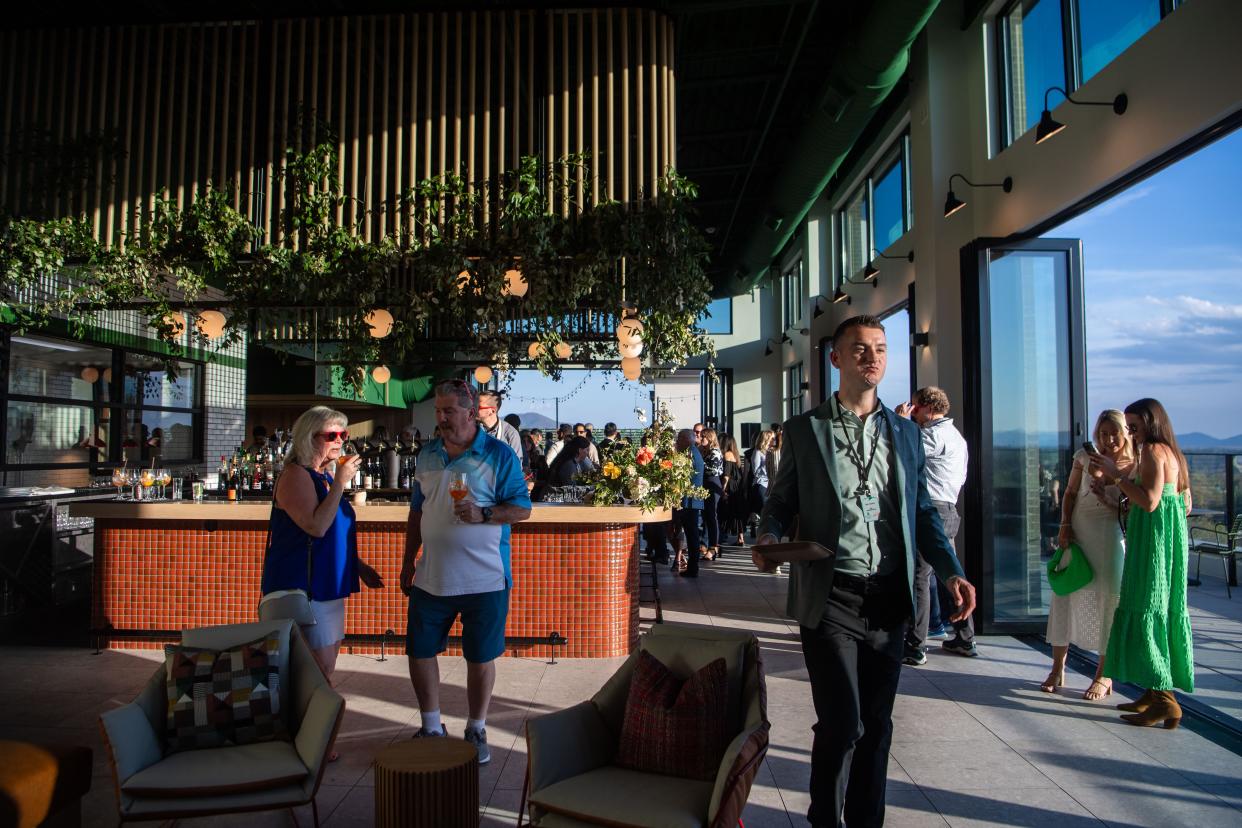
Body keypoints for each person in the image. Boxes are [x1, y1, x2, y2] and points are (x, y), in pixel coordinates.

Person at [752, 315, 976, 828]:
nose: (871, 357)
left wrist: (951, 571)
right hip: (830, 596)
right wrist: (767, 536)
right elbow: (781, 500)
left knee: (876, 725)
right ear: (836, 359)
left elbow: (923, 512)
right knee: (842, 723)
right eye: (859, 349)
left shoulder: (905, 432)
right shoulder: (805, 431)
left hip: (890, 599)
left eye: (879, 348)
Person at [400, 380, 532, 763]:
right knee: (420, 650)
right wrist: (409, 559)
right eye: (437, 410)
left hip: (485, 578)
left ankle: (476, 728)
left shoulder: (499, 455)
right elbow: (416, 512)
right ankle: (430, 725)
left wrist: (484, 513)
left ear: (471, 412)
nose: (440, 417)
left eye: (448, 411)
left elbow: (522, 508)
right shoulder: (426, 455)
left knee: (480, 656)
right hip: (431, 575)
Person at [261, 406, 385, 682]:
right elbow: (316, 526)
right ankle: (312, 723)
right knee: (316, 673)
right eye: (332, 435)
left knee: (323, 669)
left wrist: (357, 566)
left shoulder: (324, 476)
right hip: (304, 586)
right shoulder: (297, 475)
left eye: (343, 433)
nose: (340, 440)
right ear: (309, 438)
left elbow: (331, 534)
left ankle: (313, 723)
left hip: (327, 585)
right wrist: (341, 483)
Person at [1092, 398, 1194, 728]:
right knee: (1160, 608)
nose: (1131, 433)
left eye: (1134, 427)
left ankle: (1165, 699)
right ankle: (1154, 692)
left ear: (1150, 424)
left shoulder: (1150, 451)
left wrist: (1116, 479)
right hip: (1170, 540)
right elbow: (1183, 502)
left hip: (1152, 542)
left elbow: (1148, 502)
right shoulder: (1172, 452)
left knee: (1145, 604)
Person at [1039, 409, 1134, 698]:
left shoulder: (1133, 465)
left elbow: (1134, 509)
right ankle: (1057, 668)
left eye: (1113, 433)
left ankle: (1103, 674)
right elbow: (1068, 493)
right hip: (1079, 532)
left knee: (1108, 600)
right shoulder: (1084, 456)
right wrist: (1065, 525)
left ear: (1125, 432)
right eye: (1103, 433)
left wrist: (1109, 488)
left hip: (1109, 538)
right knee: (1066, 593)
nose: (1108, 439)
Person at [895, 386, 974, 664]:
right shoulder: (956, 437)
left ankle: (916, 644)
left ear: (929, 407)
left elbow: (905, 453)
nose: (913, 411)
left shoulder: (933, 435)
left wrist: (901, 423)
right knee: (949, 574)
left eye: (915, 406)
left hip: (933, 510)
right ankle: (965, 637)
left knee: (919, 576)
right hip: (950, 508)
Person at [672, 428, 706, 577]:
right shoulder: (692, 451)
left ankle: (693, 568)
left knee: (692, 536)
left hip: (690, 501)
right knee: (691, 535)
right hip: (690, 500)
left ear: (686, 440)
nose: (677, 442)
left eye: (679, 439)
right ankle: (693, 566)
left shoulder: (690, 453)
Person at [477, 390, 524, 461]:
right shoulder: (471, 429)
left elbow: (516, 466)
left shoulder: (510, 434)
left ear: (492, 411)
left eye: (478, 406)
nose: (473, 408)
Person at [744, 430, 775, 537]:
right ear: (767, 439)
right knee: (764, 510)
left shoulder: (772, 452)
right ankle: (762, 533)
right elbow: (756, 470)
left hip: (770, 484)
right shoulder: (758, 452)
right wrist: (767, 466)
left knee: (768, 511)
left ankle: (766, 532)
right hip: (761, 483)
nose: (774, 440)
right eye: (772, 438)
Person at [700, 427, 724, 560]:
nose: (701, 438)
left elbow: (713, 470)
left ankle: (714, 547)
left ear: (710, 438)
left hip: (712, 483)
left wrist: (699, 464)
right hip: (705, 484)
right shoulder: (705, 451)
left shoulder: (714, 452)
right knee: (706, 516)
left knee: (711, 516)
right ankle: (709, 544)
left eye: (704, 436)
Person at [720, 433, 747, 546]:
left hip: (730, 486)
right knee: (737, 511)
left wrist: (723, 488)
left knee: (726, 511)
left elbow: (726, 475)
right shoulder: (735, 455)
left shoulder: (727, 455)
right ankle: (740, 537)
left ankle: (721, 536)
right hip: (737, 486)